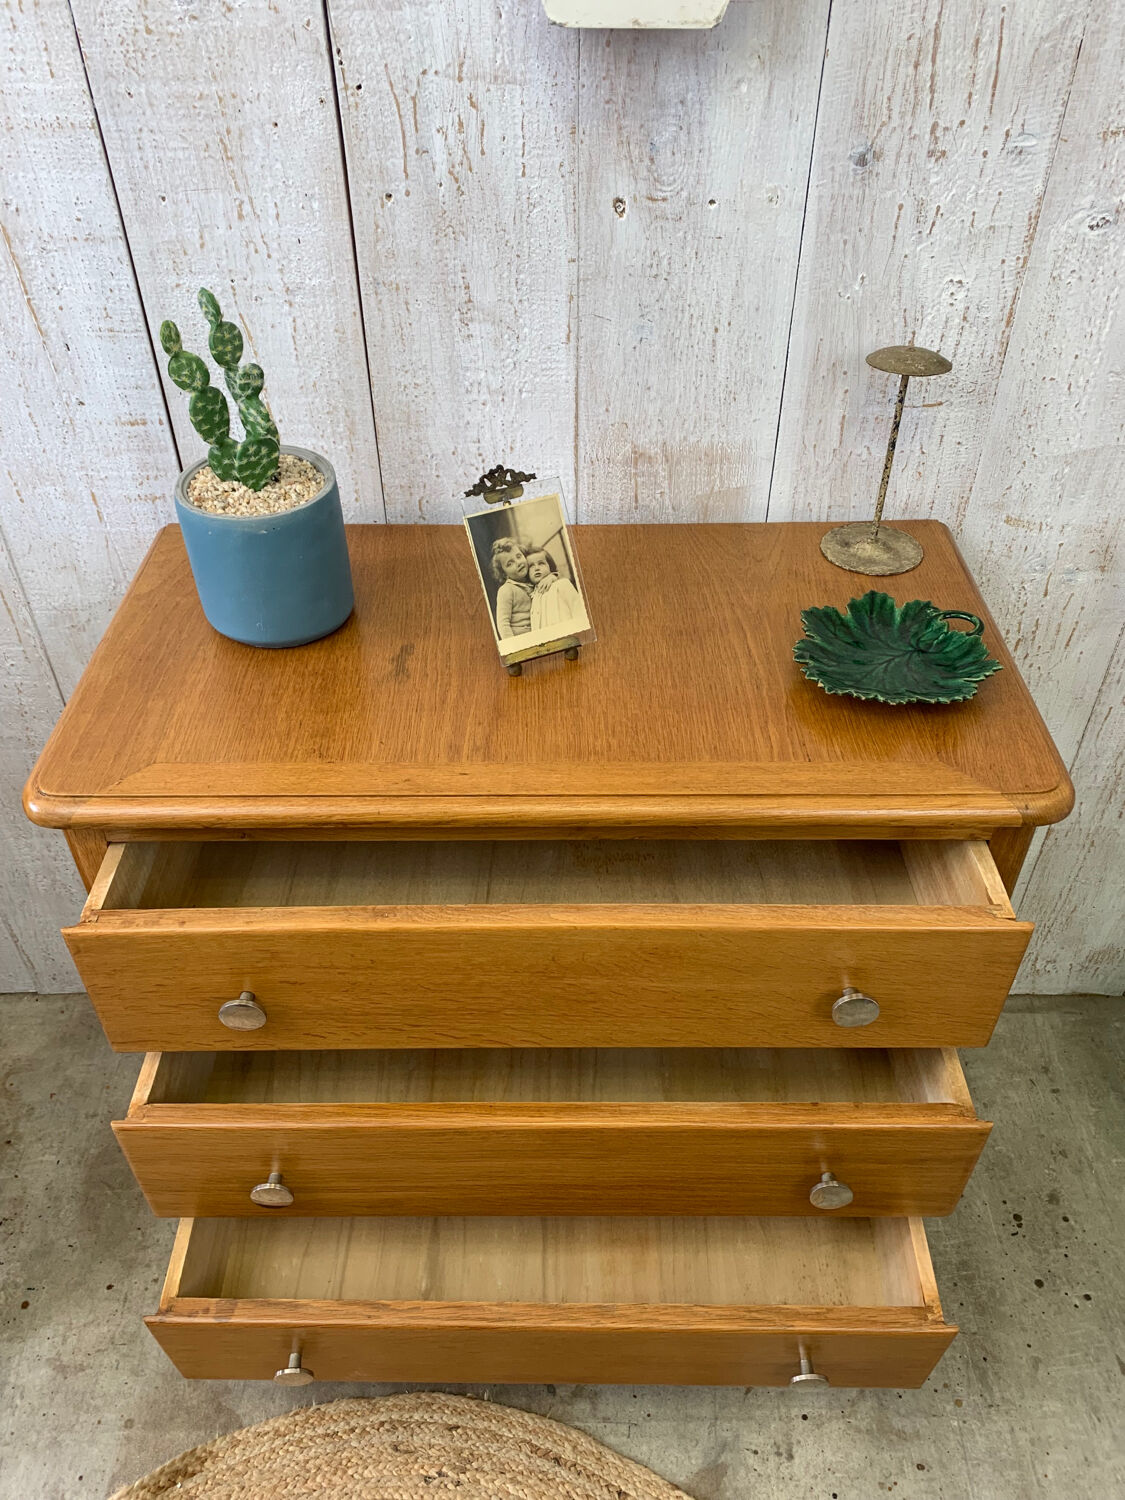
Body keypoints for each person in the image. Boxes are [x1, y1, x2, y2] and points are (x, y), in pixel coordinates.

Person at [526, 548, 583, 633]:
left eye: (541, 563)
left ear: (550, 567)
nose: (536, 568)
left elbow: (579, 611)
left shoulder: (562, 584)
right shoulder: (532, 595)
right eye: (531, 566)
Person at [490, 538, 534, 638]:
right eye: (510, 564)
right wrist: (514, 647)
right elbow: (503, 624)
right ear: (504, 574)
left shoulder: (532, 579)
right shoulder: (506, 590)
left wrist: (551, 577)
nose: (518, 563)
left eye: (519, 556)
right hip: (521, 640)